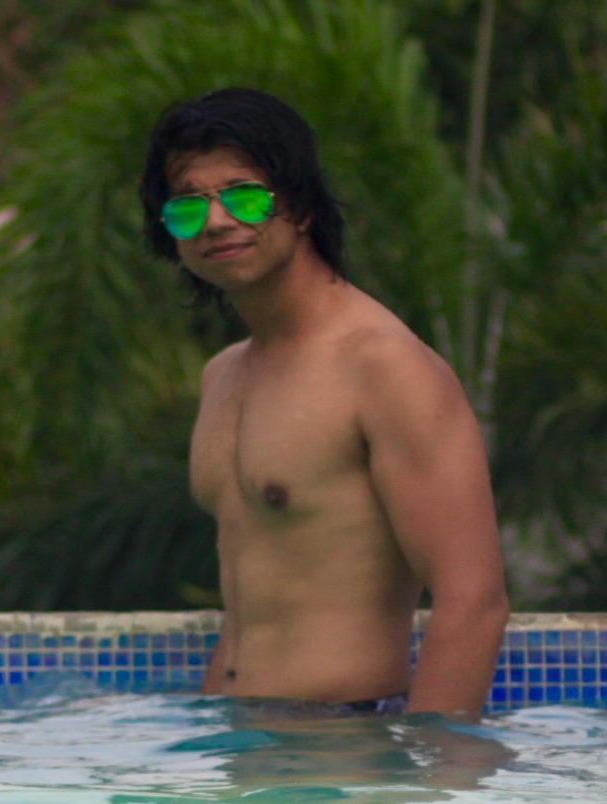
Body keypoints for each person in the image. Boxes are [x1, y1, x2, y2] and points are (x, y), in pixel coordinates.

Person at [139, 87, 509, 715]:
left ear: (302, 207)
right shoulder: (223, 375)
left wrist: (433, 763)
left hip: (341, 744)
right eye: (188, 207)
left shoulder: (382, 366)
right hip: (238, 739)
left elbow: (474, 602)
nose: (217, 222)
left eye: (245, 196)